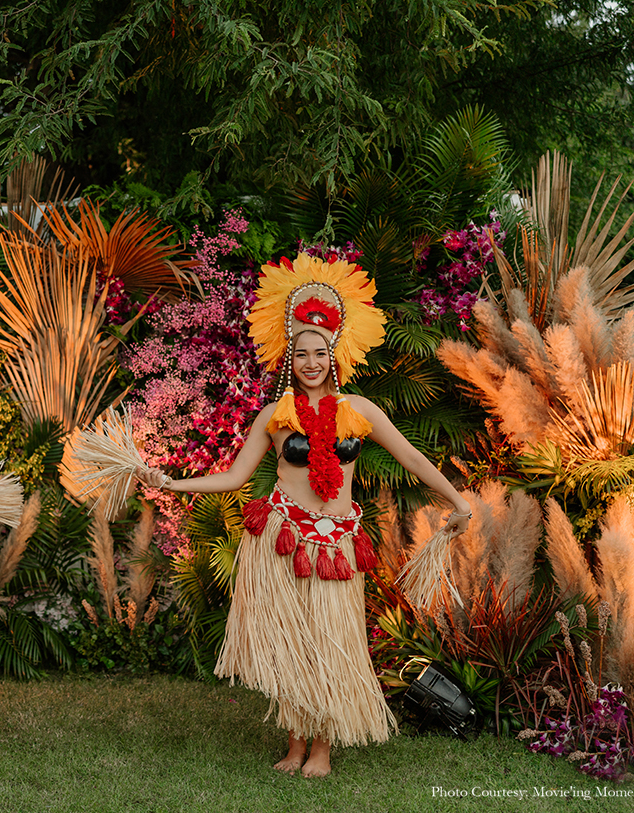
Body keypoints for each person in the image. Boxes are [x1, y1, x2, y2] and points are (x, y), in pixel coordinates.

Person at [138, 254, 471, 778]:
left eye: (319, 352)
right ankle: (295, 746)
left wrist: (458, 500)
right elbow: (235, 476)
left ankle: (322, 750)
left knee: (328, 643)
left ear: (334, 353)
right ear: (289, 358)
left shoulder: (359, 410)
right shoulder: (275, 415)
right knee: (292, 645)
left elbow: (411, 457)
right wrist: (172, 481)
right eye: (301, 354)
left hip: (337, 544)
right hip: (283, 537)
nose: (311, 362)